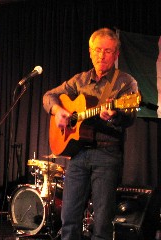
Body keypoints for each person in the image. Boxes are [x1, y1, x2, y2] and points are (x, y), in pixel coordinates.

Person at [43, 28, 138, 240]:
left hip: (107, 154)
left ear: (116, 54)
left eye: (107, 51)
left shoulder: (125, 82)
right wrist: (58, 111)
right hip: (77, 155)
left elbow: (130, 118)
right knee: (69, 219)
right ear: (90, 52)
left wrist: (114, 115)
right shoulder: (80, 80)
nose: (101, 55)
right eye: (97, 50)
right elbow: (49, 96)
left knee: (102, 222)